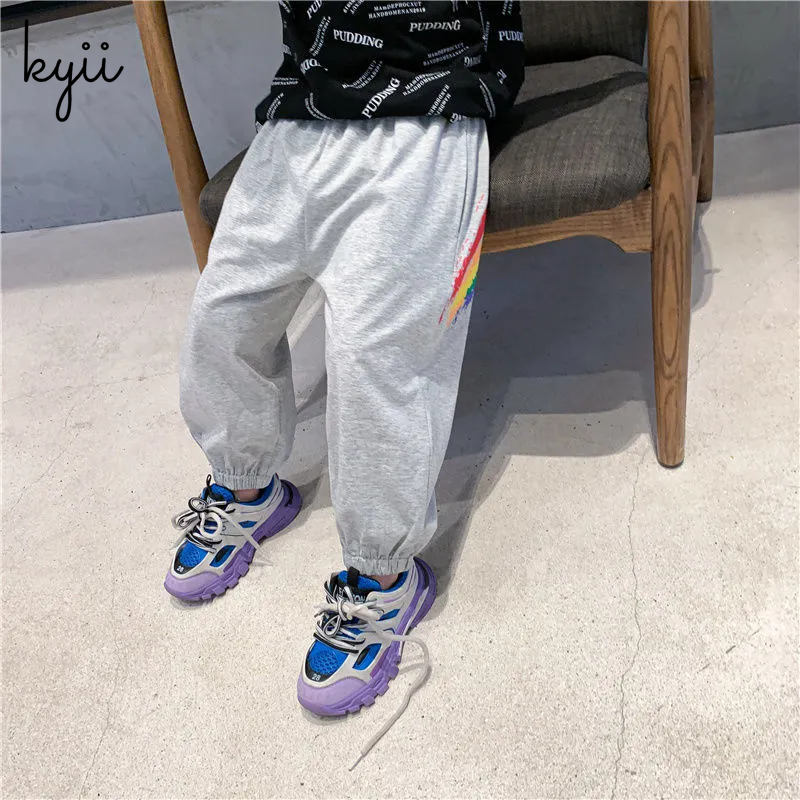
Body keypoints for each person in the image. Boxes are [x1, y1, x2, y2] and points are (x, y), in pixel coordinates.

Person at [167, 0, 524, 726]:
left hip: (427, 108)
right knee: (220, 317)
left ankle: (384, 578)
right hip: (300, 114)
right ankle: (247, 484)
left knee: (375, 361)